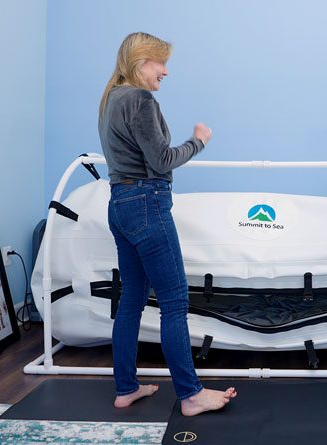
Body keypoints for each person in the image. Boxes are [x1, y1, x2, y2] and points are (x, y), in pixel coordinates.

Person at [98, 32, 237, 416]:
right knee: (174, 302)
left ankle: (126, 388)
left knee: (131, 300)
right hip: (146, 203)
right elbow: (161, 161)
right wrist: (198, 141)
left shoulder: (111, 99)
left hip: (120, 204)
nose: (166, 71)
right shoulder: (141, 100)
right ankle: (191, 395)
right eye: (160, 63)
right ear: (142, 61)